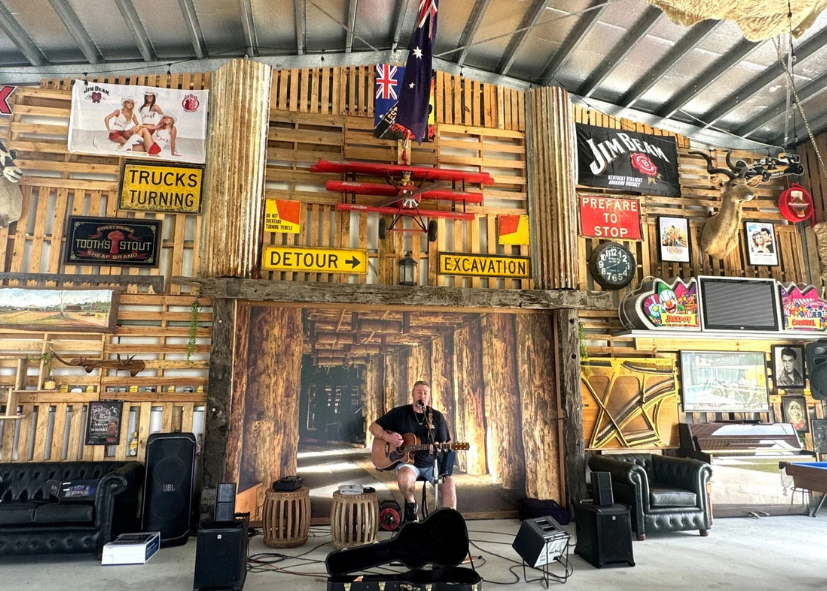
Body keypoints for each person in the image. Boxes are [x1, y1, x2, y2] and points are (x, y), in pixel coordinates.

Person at [369, 380, 456, 523]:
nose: (422, 396)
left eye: (425, 393)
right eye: (419, 392)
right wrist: (388, 437)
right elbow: (373, 427)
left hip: (430, 464)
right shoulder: (399, 413)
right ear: (413, 394)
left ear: (429, 396)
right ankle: (411, 505)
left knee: (449, 485)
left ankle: (448, 524)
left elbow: (447, 442)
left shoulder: (436, 417)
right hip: (408, 464)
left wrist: (441, 447)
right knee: (405, 477)